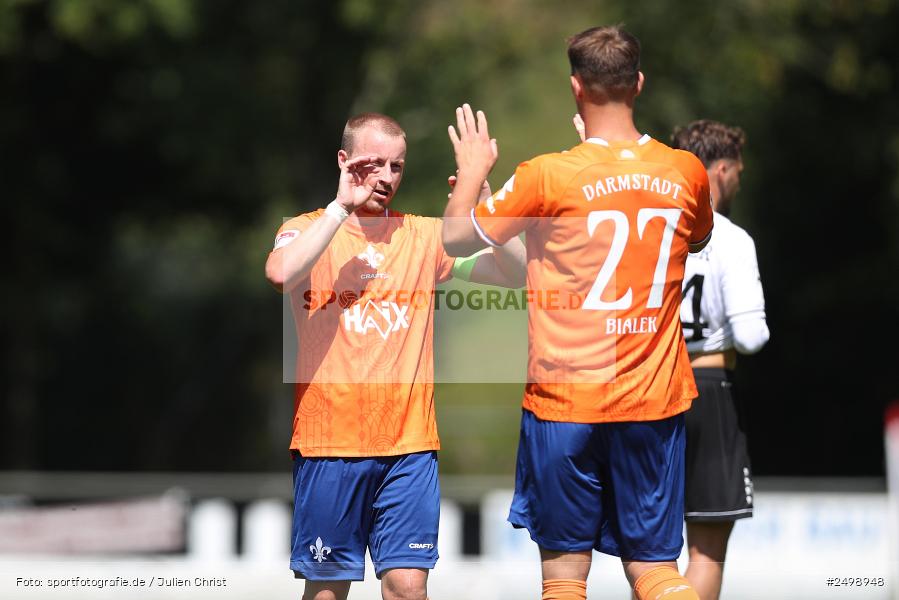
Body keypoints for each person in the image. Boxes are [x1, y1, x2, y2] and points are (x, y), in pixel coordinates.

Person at [442, 26, 713, 600]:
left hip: (564, 401)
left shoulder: (548, 175)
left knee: (564, 579)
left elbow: (458, 241)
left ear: (575, 87)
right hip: (651, 399)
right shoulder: (686, 171)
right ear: (638, 83)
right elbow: (695, 237)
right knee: (658, 572)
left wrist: (472, 171)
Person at [265, 112, 524, 600]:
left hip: (409, 446)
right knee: (327, 592)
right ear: (344, 162)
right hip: (330, 444)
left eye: (397, 166)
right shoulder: (307, 228)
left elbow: (514, 274)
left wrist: (489, 214)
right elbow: (281, 273)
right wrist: (340, 209)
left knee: (408, 587)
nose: (386, 177)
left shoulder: (424, 236)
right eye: (374, 164)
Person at [671, 119, 770, 600]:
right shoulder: (732, 239)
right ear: (723, 169)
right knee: (706, 553)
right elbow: (750, 336)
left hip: (655, 392)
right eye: (737, 173)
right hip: (710, 393)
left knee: (653, 557)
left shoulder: (655, 233)